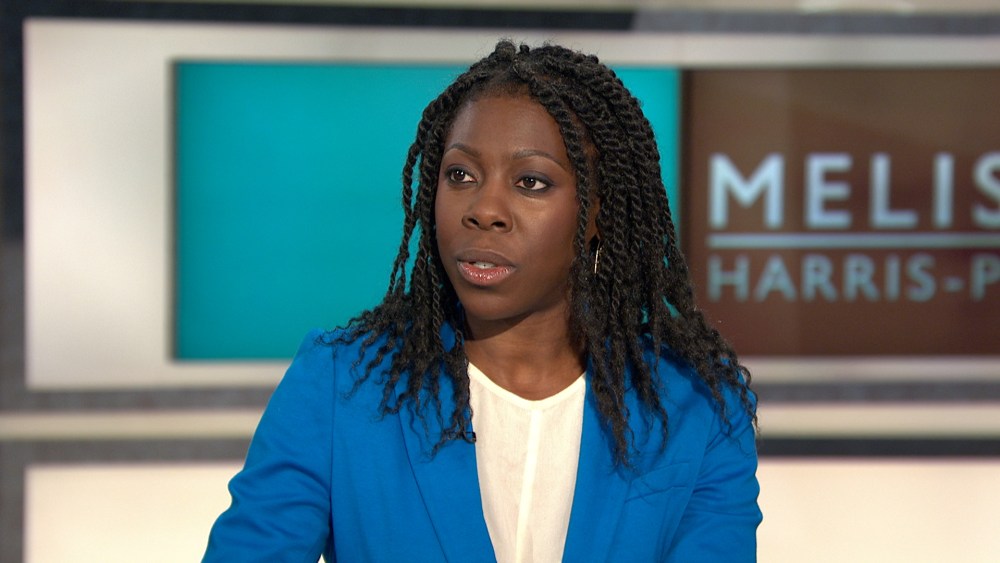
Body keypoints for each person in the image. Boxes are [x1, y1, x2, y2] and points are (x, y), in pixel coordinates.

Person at [203, 40, 761, 562]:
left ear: (598, 212)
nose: (484, 210)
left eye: (531, 182)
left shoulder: (695, 407)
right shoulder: (339, 385)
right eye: (461, 174)